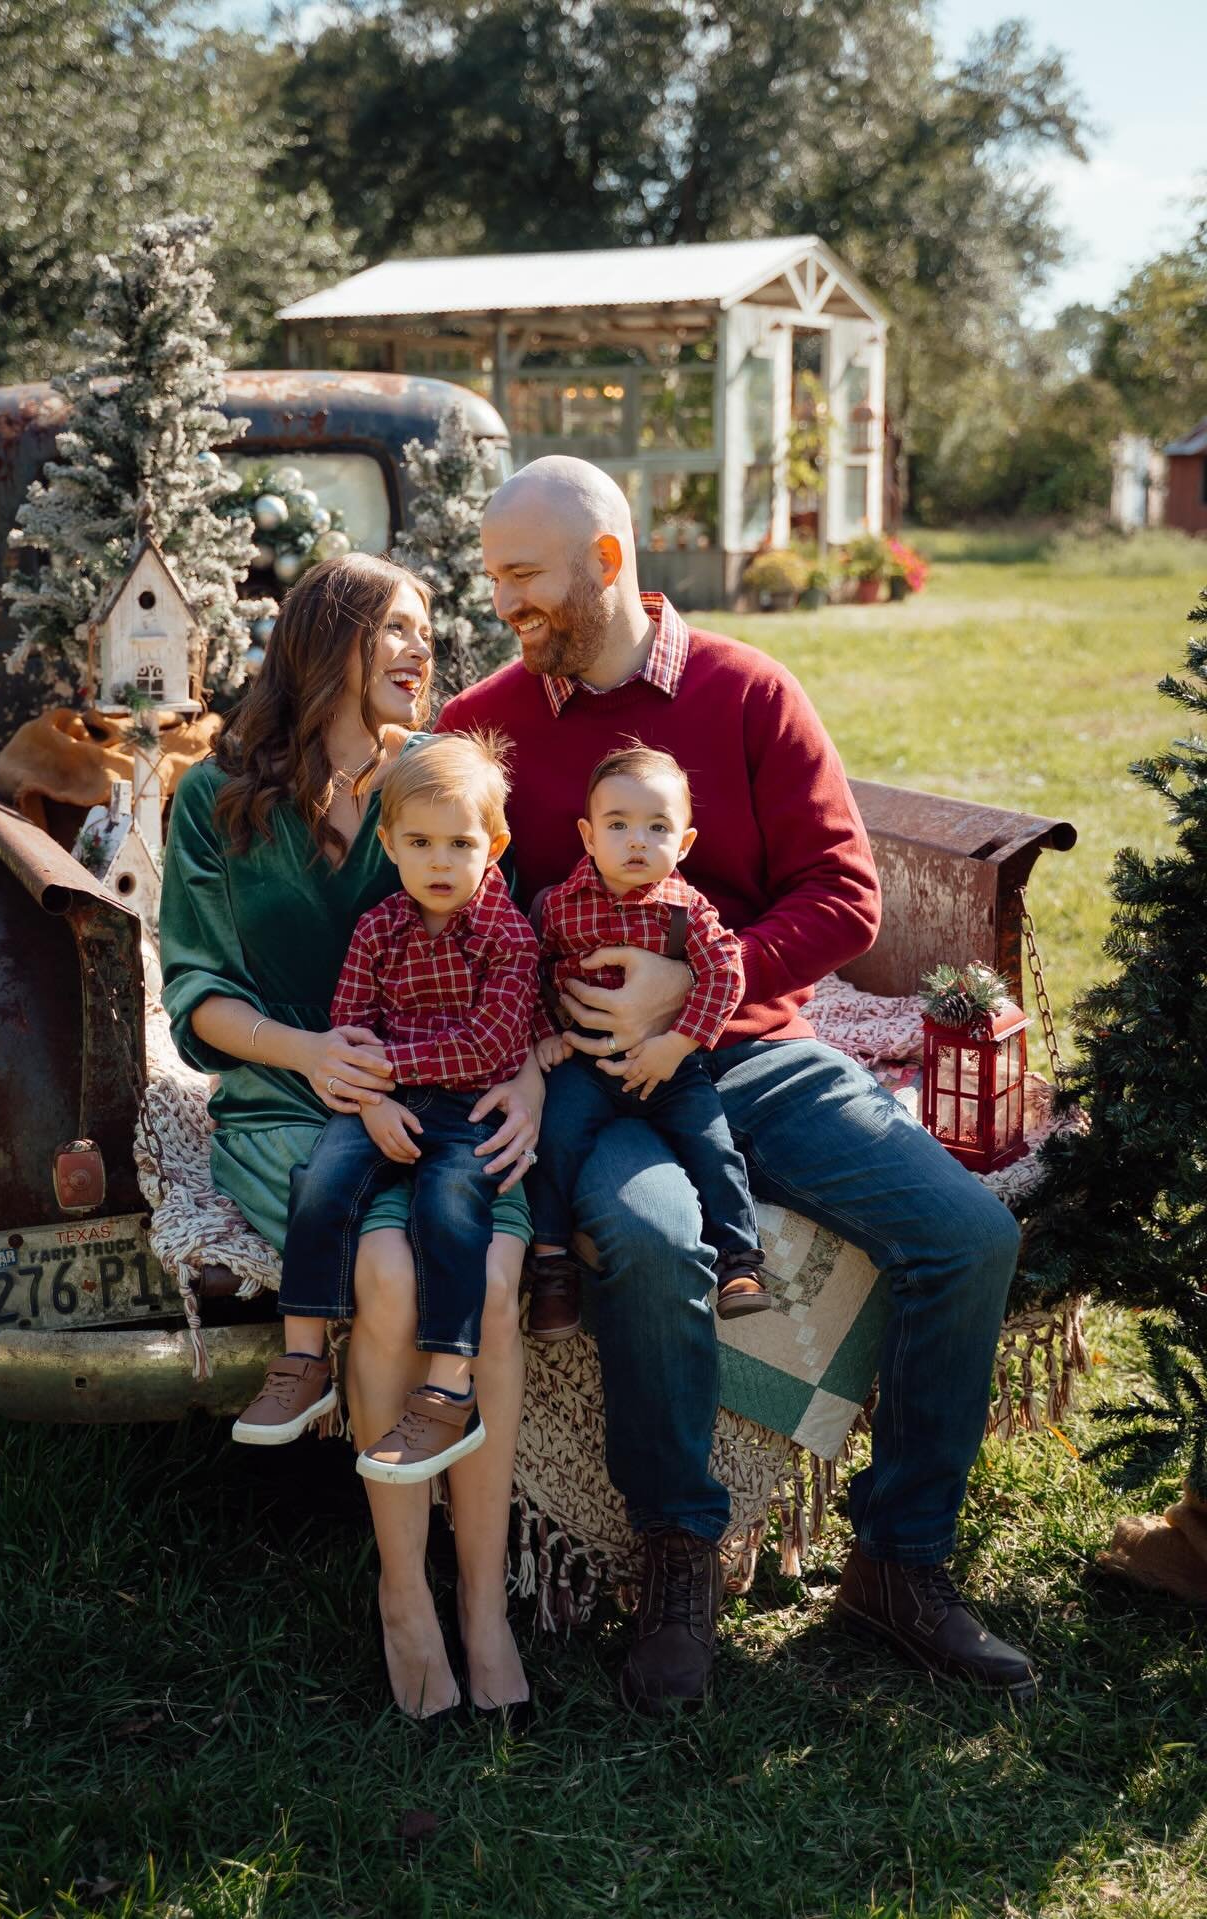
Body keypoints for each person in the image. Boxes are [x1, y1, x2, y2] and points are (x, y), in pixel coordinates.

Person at [437, 455, 1037, 1715]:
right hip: (601, 1078)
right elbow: (458, 916)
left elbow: (847, 896)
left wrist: (694, 993)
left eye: (525, 576)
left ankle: (901, 1559)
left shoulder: (748, 690)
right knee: (655, 1244)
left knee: (969, 1234)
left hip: (759, 1049)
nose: (505, 603)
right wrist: (551, 1051)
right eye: (494, 577)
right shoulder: (482, 724)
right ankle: (677, 1555)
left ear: (608, 562)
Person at [159, 553, 537, 1719]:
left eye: (428, 629)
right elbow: (197, 988)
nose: (424, 650)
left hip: (446, 1095)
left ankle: (483, 1604)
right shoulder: (215, 796)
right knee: (382, 1267)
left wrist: (523, 1074)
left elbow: (503, 948)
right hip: (292, 1099)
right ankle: (402, 1592)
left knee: (494, 1269)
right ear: (331, 639)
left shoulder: (431, 785)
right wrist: (312, 1054)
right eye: (399, 629)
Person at [231, 733, 538, 1484]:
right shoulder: (378, 926)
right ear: (392, 845)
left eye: (460, 842)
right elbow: (350, 1018)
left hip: (468, 1106)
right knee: (322, 1176)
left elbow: (490, 1047)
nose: (440, 861)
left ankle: (447, 1389)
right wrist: (368, 1100)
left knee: (451, 1206)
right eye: (420, 842)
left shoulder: (508, 937)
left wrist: (386, 1070)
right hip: (383, 1099)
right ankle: (304, 1357)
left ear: (493, 845)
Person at [524, 742, 769, 1341]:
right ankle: (553, 1266)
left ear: (684, 843)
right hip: (586, 1060)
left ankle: (740, 1263)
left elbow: (726, 972)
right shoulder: (559, 907)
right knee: (552, 1138)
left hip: (668, 1065)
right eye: (618, 825)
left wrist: (681, 1043)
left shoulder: (687, 910)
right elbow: (526, 970)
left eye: (657, 827)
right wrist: (546, 1034)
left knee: (712, 1144)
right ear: (588, 836)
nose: (637, 841)